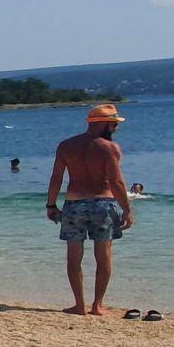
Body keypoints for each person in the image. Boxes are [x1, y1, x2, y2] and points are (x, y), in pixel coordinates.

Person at [46, 103, 135, 316]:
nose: (116, 128)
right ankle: (97, 305)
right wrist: (127, 209)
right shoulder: (109, 148)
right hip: (103, 205)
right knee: (103, 256)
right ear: (103, 123)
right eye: (113, 124)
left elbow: (56, 177)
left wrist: (51, 204)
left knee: (73, 257)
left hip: (73, 204)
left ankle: (79, 305)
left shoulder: (66, 146)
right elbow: (116, 182)